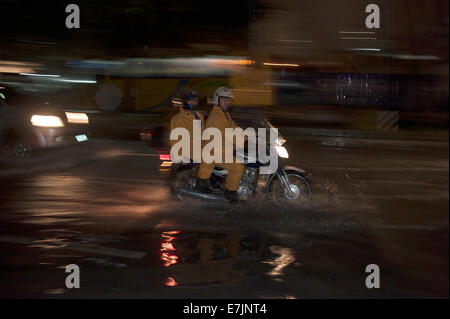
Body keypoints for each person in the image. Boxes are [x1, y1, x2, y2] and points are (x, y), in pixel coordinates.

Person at [196, 87, 245, 203]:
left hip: (222, 149)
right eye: (224, 99)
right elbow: (225, 134)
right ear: (217, 100)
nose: (226, 102)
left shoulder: (225, 114)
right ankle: (230, 192)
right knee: (238, 166)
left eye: (228, 100)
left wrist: (247, 133)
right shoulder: (216, 115)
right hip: (215, 151)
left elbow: (233, 127)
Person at [169, 89, 204, 161]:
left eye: (195, 100)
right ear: (185, 101)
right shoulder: (177, 118)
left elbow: (203, 137)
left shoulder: (200, 116)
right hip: (186, 158)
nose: (193, 103)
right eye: (190, 100)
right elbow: (175, 141)